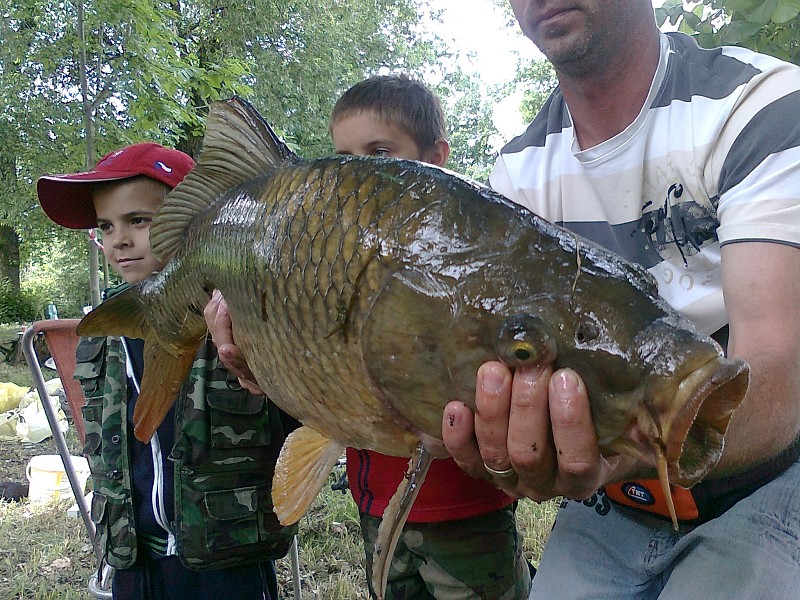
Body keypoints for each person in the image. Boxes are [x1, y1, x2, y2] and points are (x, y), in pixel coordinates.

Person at [441, 1, 800, 598]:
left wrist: (632, 441)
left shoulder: (760, 104)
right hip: (612, 500)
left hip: (766, 477)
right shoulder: (517, 172)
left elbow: (781, 374)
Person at [205, 75, 532, 600]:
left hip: (464, 507)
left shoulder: (469, 254)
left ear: (436, 156)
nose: (357, 172)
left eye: (379, 152)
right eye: (344, 157)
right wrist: (261, 364)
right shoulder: (324, 257)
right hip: (373, 499)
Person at [36, 143, 298, 600]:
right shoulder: (103, 328)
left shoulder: (239, 314)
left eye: (138, 220)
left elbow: (297, 422)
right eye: (105, 226)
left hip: (226, 558)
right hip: (135, 559)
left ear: (194, 222)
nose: (118, 239)